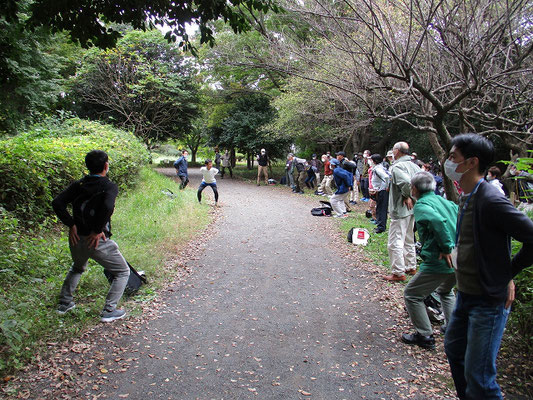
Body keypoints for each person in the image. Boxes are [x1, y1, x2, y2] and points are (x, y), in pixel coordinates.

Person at [442, 134, 533, 400]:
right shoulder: (467, 196)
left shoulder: (491, 199)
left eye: (452, 157)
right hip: (466, 294)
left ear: (471, 162)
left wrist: (506, 275)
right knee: (455, 351)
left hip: (487, 300)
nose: (448, 162)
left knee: (480, 378)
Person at [52, 150, 130, 323]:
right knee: (122, 272)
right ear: (106, 166)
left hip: (76, 238)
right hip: (97, 240)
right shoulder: (109, 186)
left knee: (78, 267)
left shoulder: (78, 185)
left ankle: (65, 303)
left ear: (87, 166)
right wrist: (96, 230)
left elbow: (57, 202)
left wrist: (71, 223)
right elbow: (108, 206)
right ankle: (109, 310)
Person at [401, 171, 458, 349]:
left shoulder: (422, 205)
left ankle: (424, 335)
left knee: (412, 294)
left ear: (415, 189)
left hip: (439, 259)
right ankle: (452, 328)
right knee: (446, 290)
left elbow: (437, 222)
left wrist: (446, 247)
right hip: (458, 257)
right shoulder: (445, 202)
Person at [384, 141, 421, 282]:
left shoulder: (397, 166)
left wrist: (407, 196)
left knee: (395, 240)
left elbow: (406, 183)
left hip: (401, 207)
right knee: (409, 238)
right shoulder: (415, 166)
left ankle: (398, 272)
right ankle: (410, 266)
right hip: (413, 209)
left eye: (393, 149)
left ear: (397, 151)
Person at [370, 154, 390, 234]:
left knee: (381, 209)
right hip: (381, 190)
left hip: (382, 191)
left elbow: (386, 177)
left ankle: (381, 227)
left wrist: (386, 186)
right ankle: (380, 225)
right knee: (380, 208)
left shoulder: (378, 169)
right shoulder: (381, 167)